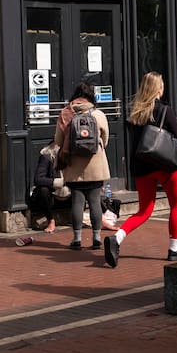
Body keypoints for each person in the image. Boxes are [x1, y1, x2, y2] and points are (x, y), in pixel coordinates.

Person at [104, 72, 177, 268]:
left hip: (142, 167)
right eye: (162, 85)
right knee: (176, 205)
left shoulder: (136, 113)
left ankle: (117, 238)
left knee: (144, 210)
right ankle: (174, 249)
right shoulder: (165, 110)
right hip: (165, 166)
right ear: (158, 89)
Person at [54, 81, 111, 249]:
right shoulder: (98, 114)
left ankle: (77, 239)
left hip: (74, 166)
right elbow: (105, 139)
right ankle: (96, 238)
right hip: (95, 164)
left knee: (77, 202)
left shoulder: (65, 114)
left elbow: (57, 141)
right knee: (94, 201)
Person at [15, 142, 71, 245]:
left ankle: (103, 215)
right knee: (43, 190)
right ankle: (51, 220)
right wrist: (56, 182)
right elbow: (38, 179)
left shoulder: (72, 156)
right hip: (53, 193)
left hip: (68, 192)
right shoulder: (47, 157)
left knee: (89, 185)